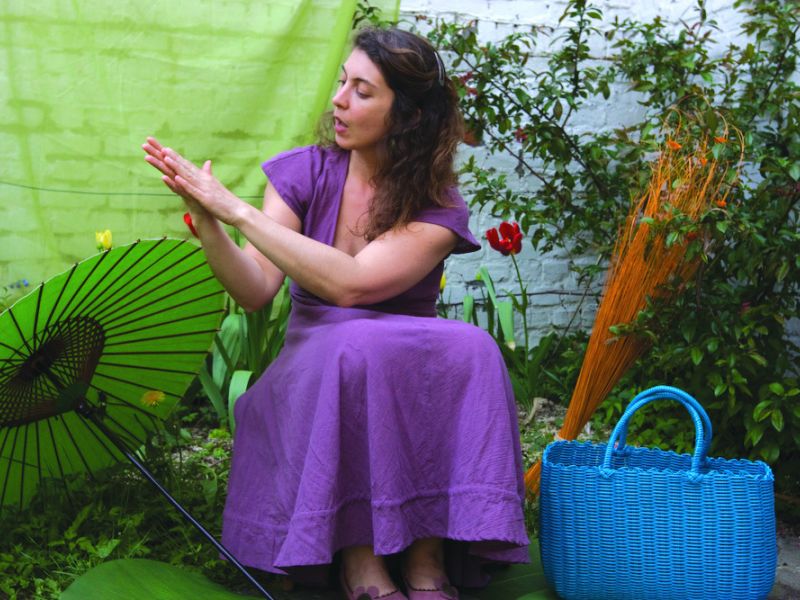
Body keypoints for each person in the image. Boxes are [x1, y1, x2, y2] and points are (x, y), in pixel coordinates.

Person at [143, 26, 528, 600]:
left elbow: (353, 285)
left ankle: (426, 559)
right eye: (343, 82)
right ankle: (359, 562)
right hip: (319, 351)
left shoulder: (436, 202)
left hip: (405, 347)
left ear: (407, 115)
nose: (339, 100)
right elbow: (254, 289)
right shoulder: (303, 172)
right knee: (355, 348)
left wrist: (237, 211)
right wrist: (208, 220)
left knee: (473, 346)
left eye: (362, 91)